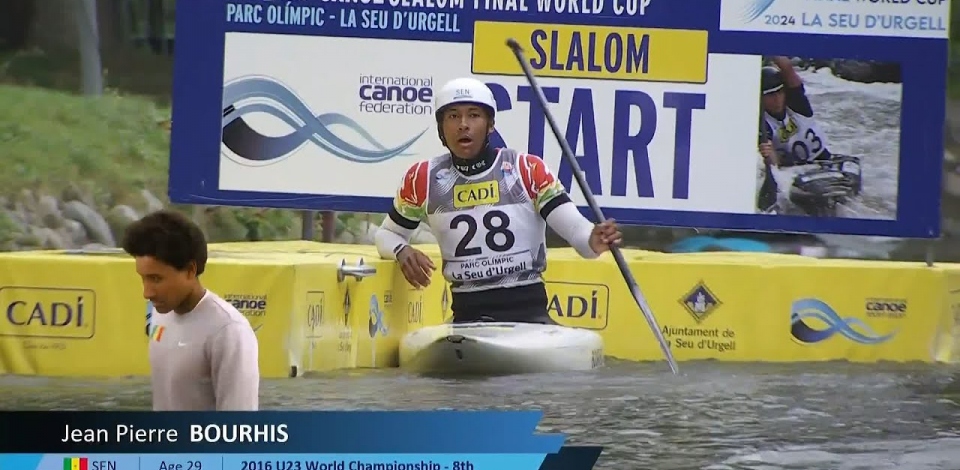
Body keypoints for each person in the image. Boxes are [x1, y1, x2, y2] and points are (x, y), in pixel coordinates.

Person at [374, 77, 623, 324]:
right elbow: (387, 234)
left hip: (530, 317)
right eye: (453, 116)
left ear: (490, 124)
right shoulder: (422, 179)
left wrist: (593, 239)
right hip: (466, 318)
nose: (463, 125)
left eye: (474, 115)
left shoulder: (527, 170)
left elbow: (577, 231)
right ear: (441, 128)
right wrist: (401, 250)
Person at [121, 209, 260, 411]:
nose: (147, 292)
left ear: (190, 270)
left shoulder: (228, 331)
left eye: (156, 279)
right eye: (143, 278)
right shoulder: (159, 313)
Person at [756, 57, 861, 216]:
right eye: (770, 95)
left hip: (823, 161)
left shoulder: (797, 104)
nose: (777, 99)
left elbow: (787, 67)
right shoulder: (762, 123)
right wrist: (768, 153)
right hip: (794, 171)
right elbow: (774, 163)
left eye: (779, 92)